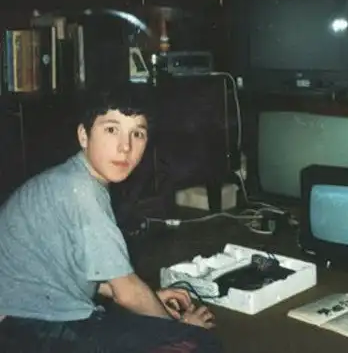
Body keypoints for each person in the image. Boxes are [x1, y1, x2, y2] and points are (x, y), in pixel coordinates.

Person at [0, 87, 223, 352]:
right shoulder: (83, 192)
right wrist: (178, 330)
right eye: (111, 129)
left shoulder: (71, 178)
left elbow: (76, 270)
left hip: (23, 316)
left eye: (137, 134)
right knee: (200, 342)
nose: (125, 146)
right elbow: (125, 292)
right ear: (84, 136)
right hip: (28, 328)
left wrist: (150, 299)